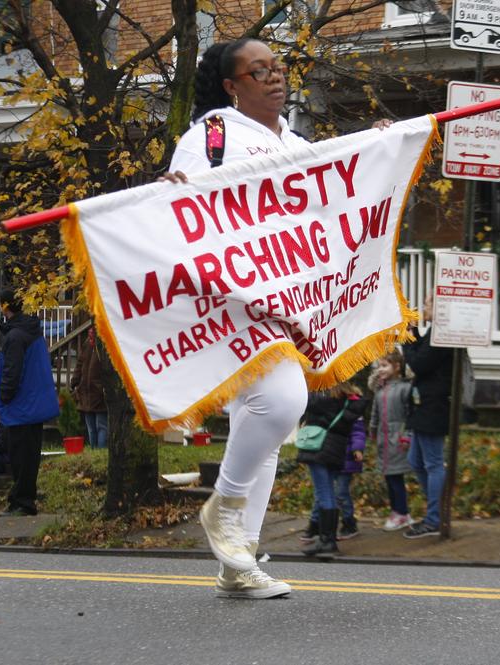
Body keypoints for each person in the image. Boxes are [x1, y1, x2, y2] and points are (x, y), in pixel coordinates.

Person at [161, 38, 392, 597]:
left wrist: (379, 150)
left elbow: (332, 196)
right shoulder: (210, 138)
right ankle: (226, 505)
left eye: (278, 67)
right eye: (256, 70)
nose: (273, 77)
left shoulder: (293, 140)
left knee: (262, 429)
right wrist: (169, 193)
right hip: (231, 302)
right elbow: (178, 210)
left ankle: (238, 563)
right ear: (231, 85)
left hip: (286, 304)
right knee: (283, 401)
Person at [0, 290, 59, 517]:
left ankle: (22, 502)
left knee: (20, 458)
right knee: (29, 456)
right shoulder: (32, 332)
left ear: (5, 307)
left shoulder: (15, 336)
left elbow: (12, 372)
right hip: (34, 405)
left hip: (20, 407)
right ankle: (22, 499)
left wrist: (3, 399)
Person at [402, 294, 454, 539]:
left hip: (433, 405)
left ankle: (435, 518)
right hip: (424, 404)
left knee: (432, 463)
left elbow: (419, 363)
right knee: (416, 461)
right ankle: (436, 509)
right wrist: (413, 334)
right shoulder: (435, 332)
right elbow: (421, 355)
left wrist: (407, 337)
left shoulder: (442, 335)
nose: (424, 308)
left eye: (428, 304)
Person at [297, 384, 367, 557]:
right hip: (335, 449)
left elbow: (302, 400)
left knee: (324, 494)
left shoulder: (324, 399)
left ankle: (327, 541)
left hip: (319, 449)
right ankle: (327, 539)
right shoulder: (346, 399)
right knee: (328, 492)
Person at [367, 351, 414, 532]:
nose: (381, 369)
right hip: (384, 439)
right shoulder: (380, 389)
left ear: (397, 367)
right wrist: (372, 429)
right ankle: (398, 512)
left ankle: (401, 512)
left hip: (397, 438)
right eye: (379, 366)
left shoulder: (404, 388)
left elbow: (410, 414)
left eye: (385, 365)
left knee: (396, 477)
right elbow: (375, 412)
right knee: (389, 476)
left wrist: (407, 435)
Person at [70, 328, 108, 450]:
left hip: (99, 392)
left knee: (101, 426)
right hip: (85, 391)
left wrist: (105, 387)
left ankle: (100, 452)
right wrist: (75, 382)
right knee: (91, 427)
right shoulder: (87, 343)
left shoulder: (105, 343)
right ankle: (93, 452)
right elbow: (79, 364)